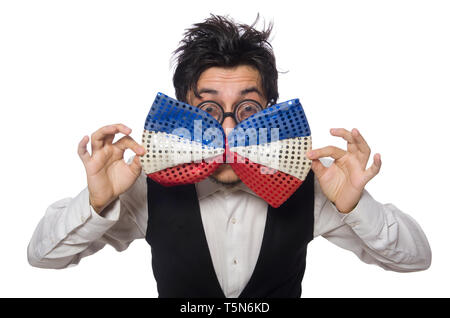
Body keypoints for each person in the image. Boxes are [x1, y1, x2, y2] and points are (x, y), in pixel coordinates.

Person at [27, 15, 431, 298]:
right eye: (207, 111)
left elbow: (416, 261)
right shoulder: (145, 187)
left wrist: (356, 204)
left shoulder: (313, 185)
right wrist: (98, 202)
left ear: (272, 108)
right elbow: (42, 258)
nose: (228, 130)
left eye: (248, 111)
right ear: (184, 109)